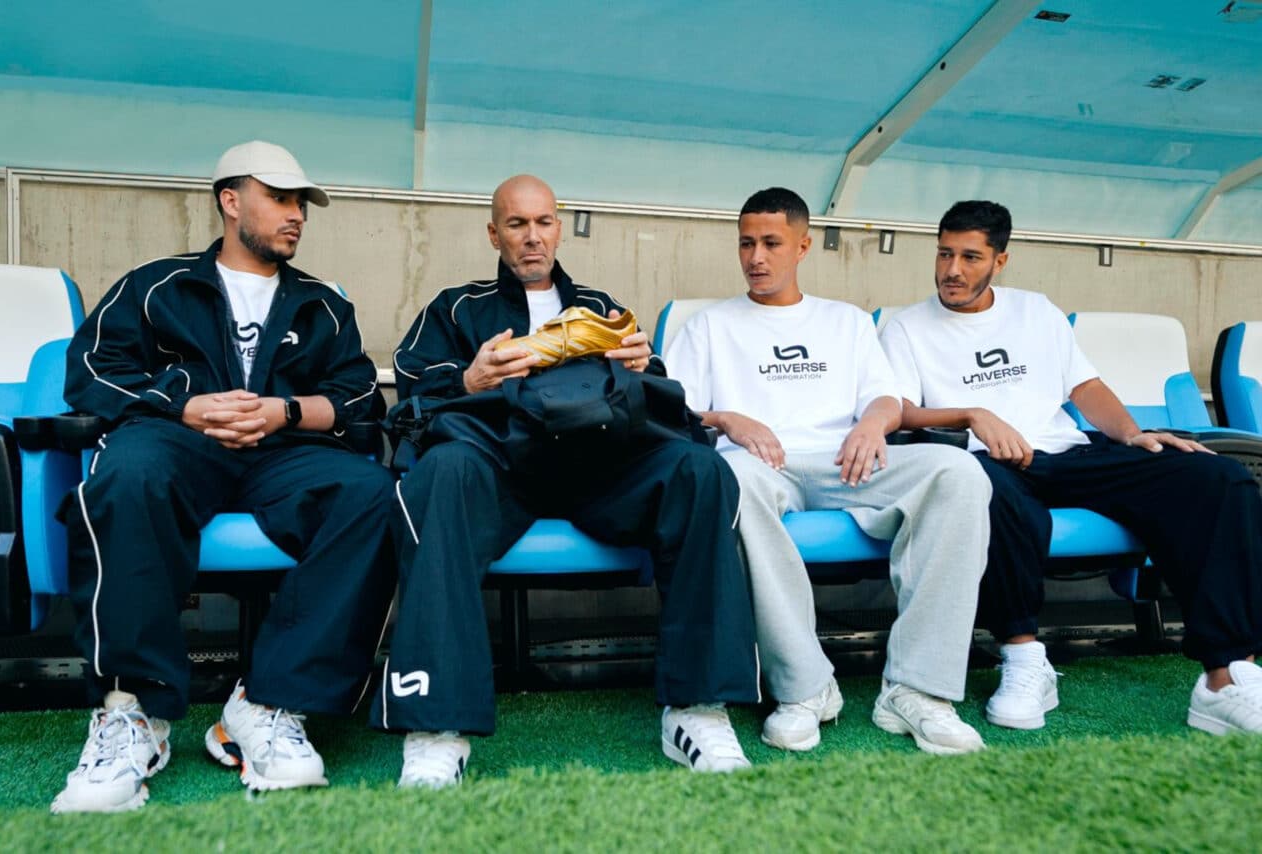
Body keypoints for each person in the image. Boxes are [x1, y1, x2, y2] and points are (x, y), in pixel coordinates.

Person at [375, 174, 759, 787]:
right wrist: (472, 380)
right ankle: (437, 725)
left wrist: (641, 364)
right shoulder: (456, 308)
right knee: (442, 473)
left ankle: (697, 708)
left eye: (544, 222)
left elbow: (654, 396)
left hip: (600, 469)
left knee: (700, 470)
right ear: (494, 232)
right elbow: (412, 396)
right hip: (499, 469)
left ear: (559, 226)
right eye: (518, 224)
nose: (533, 238)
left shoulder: (601, 307)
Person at [52, 141, 396, 813]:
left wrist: (284, 411)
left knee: (372, 495)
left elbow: (359, 401)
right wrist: (184, 405)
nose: (295, 214)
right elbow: (90, 372)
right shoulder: (155, 285)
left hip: (283, 454)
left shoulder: (323, 305)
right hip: (181, 441)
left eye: (301, 203)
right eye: (280, 198)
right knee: (128, 473)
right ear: (230, 201)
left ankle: (268, 702)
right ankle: (134, 714)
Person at [879, 199, 1262, 733]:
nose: (952, 270)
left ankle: (1226, 675)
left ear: (1000, 260)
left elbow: (1085, 386)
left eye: (970, 257)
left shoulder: (1036, 310)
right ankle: (1024, 659)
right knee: (983, 485)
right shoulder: (906, 328)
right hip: (985, 461)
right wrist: (973, 415)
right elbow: (898, 411)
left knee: (1218, 480)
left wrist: (1133, 434)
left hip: (1068, 451)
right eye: (944, 254)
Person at [664, 187, 991, 755]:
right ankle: (806, 690)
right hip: (763, 466)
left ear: (803, 246)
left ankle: (917, 690)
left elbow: (886, 398)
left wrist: (871, 425)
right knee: (731, 481)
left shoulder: (845, 321)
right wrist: (726, 418)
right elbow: (676, 411)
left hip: (850, 462)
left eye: (771, 243)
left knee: (958, 472)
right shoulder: (709, 325)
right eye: (746, 244)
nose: (756, 258)